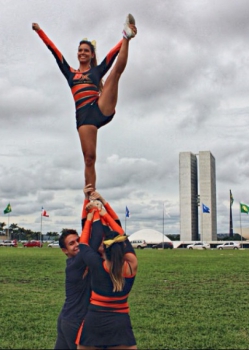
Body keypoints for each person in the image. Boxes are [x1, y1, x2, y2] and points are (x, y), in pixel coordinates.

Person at [32, 15, 137, 190]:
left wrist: (126, 36)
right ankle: (90, 197)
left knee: (114, 74)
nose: (82, 53)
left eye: (86, 51)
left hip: (99, 107)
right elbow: (53, 50)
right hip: (84, 117)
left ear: (91, 54)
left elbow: (112, 55)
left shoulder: (96, 71)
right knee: (89, 158)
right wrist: (40, 31)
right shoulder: (70, 73)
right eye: (80, 50)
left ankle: (127, 36)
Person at [76, 204, 138, 349]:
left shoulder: (96, 263)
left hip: (95, 319)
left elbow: (84, 243)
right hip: (120, 322)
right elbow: (122, 234)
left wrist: (93, 216)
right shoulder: (131, 264)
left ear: (103, 247)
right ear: (122, 247)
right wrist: (104, 212)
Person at [54, 185, 105, 349]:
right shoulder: (75, 264)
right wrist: (95, 209)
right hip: (75, 322)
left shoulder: (82, 258)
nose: (77, 245)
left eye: (77, 240)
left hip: (66, 318)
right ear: (65, 251)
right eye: (71, 243)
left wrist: (87, 200)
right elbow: (94, 236)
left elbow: (87, 232)